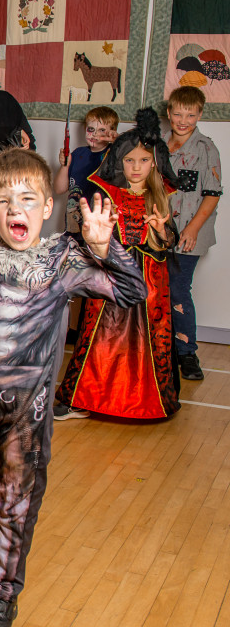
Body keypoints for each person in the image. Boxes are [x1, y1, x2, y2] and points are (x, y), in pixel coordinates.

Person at [0, 148, 148, 627]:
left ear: (47, 207)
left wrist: (107, 248)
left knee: (14, 503)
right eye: (2, 200)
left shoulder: (64, 257)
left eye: (27, 199)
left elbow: (132, 293)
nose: (14, 209)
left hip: (28, 406)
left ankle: (1, 596)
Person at [56, 109, 181, 421]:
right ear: (118, 161)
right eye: (129, 160)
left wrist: (160, 230)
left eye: (143, 160)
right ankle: (84, 399)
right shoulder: (107, 193)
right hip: (111, 275)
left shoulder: (160, 196)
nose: (136, 167)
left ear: (154, 162)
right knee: (101, 336)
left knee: (147, 341)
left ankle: (145, 400)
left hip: (150, 283)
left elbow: (169, 242)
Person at [163, 86, 222, 381]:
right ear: (169, 113)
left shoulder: (206, 148)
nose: (183, 120)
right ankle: (161, 349)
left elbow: (212, 194)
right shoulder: (158, 144)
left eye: (190, 114)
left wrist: (192, 228)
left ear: (199, 114)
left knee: (177, 291)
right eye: (177, 113)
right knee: (154, 291)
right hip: (158, 232)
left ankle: (187, 352)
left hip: (189, 233)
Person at [53, 106, 119, 234]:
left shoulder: (114, 153)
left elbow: (130, 147)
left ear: (112, 133)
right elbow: (59, 189)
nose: (95, 134)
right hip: (74, 226)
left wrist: (117, 142)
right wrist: (64, 166)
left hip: (100, 228)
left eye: (102, 131)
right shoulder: (78, 154)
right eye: (91, 129)